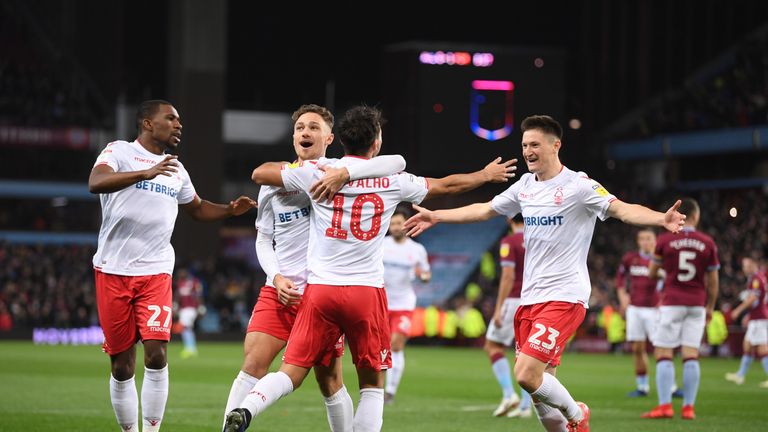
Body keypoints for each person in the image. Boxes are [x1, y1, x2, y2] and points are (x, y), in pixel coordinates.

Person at [224, 104, 516, 432]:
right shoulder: (390, 178)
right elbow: (445, 185)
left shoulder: (317, 172)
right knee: (372, 385)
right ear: (375, 143)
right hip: (365, 291)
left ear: (339, 140)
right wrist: (485, 176)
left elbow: (261, 173)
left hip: (321, 292)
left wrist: (343, 173)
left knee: (292, 370)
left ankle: (247, 408)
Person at [404, 115, 686, 432]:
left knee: (526, 374)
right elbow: (485, 209)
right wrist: (437, 215)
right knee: (539, 389)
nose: (528, 151)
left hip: (564, 296)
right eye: (525, 145)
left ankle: (577, 414)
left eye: (535, 144)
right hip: (530, 300)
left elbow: (621, 208)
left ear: (556, 145)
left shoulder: (579, 186)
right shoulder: (525, 187)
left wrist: (661, 218)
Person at [222, 103, 408, 431]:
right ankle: (230, 426)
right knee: (253, 363)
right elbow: (264, 240)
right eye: (300, 128)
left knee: (330, 381)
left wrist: (347, 172)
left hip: (321, 294)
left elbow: (393, 162)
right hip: (280, 290)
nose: (305, 133)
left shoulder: (337, 174)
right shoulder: (277, 182)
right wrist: (276, 277)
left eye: (313, 127)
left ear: (329, 137)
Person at [88, 99, 256, 432]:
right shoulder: (118, 151)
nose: (179, 125)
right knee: (122, 366)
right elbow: (96, 181)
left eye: (179, 120)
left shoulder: (176, 169)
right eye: (171, 119)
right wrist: (145, 172)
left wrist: (228, 210)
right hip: (113, 270)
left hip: (156, 271)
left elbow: (196, 207)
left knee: (157, 355)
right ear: (148, 123)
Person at [642, 197, 719, 420]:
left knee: (664, 353)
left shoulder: (665, 241)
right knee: (691, 355)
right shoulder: (708, 242)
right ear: (695, 216)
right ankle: (688, 408)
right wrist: (710, 307)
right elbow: (713, 281)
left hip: (672, 302)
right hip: (696, 304)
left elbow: (652, 273)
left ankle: (665, 406)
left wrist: (667, 273)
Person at [381, 204, 432, 405]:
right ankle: (376, 387)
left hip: (404, 304)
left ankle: (390, 391)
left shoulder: (417, 250)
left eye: (398, 223)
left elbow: (426, 274)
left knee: (396, 345)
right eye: (392, 223)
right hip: (381, 302)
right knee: (380, 347)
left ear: (406, 225)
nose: (395, 227)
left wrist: (424, 276)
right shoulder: (381, 245)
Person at [484, 215, 532, 418]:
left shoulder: (509, 242)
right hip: (535, 300)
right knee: (526, 353)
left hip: (513, 300)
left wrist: (498, 307)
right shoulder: (537, 238)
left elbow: (508, 275)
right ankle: (525, 406)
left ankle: (508, 394)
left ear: (509, 220)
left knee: (492, 345)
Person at [615, 228, 659, 397]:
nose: (645, 242)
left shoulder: (660, 259)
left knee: (661, 349)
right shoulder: (630, 259)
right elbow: (620, 279)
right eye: (642, 239)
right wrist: (622, 297)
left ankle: (670, 386)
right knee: (637, 349)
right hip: (634, 309)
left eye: (648, 239)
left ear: (655, 241)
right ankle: (642, 386)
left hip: (654, 309)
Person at [725, 256, 768, 387]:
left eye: (745, 266)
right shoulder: (757, 277)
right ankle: (740, 375)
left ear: (752, 265)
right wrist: (748, 315)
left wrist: (738, 311)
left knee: (762, 349)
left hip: (759, 319)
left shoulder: (756, 279)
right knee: (747, 346)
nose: (743, 269)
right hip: (756, 317)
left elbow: (752, 299)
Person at [174, 268, 204, 358]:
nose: (181, 274)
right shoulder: (179, 283)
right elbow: (177, 296)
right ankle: (192, 348)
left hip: (191, 309)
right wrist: (175, 306)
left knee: (184, 327)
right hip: (183, 309)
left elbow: (199, 295)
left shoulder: (194, 282)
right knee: (187, 328)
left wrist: (201, 307)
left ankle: (189, 348)